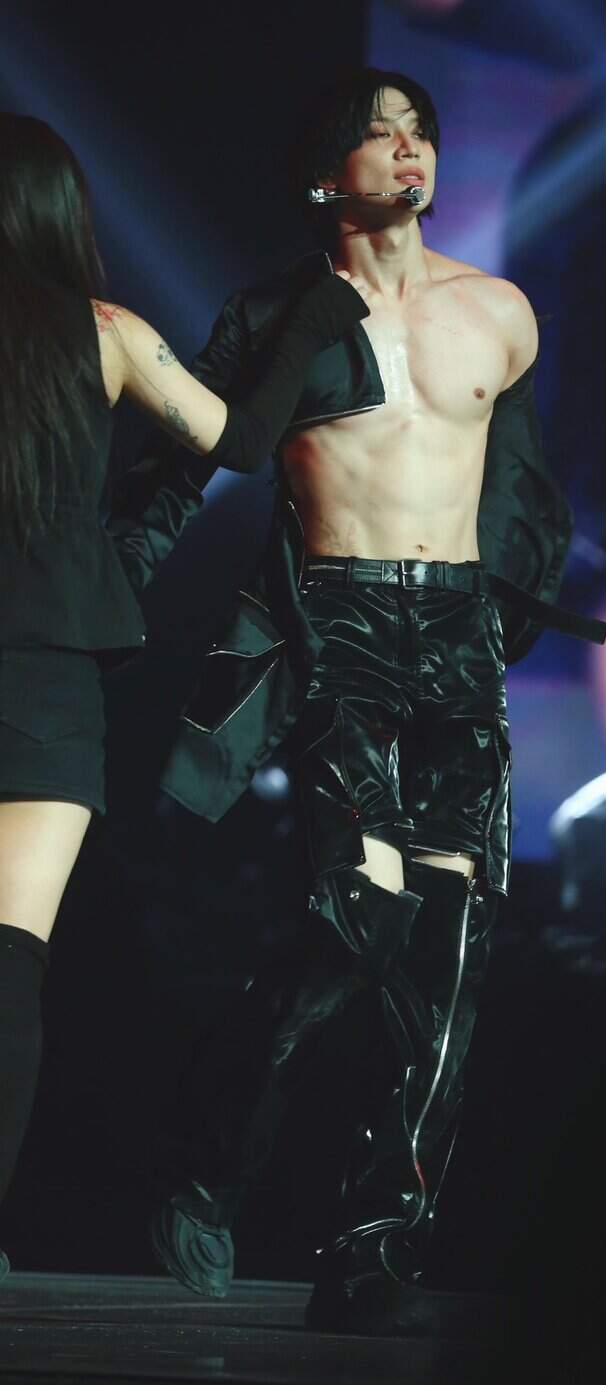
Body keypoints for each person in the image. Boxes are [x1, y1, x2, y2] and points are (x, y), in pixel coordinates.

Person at [110, 68, 603, 1332]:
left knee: (450, 951)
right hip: (338, 623)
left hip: (455, 632)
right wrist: (98, 605)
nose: (407, 149)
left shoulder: (498, 311)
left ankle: (378, 1244)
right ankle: (209, 1157)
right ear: (327, 170)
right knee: (355, 913)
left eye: (419, 130)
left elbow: (525, 492)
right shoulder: (275, 314)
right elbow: (180, 471)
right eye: (379, 134)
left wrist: (499, 621)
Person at [0, 112, 373, 1282]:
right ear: (60, 212)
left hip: (44, 664)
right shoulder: (105, 334)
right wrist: (312, 317)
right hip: (46, 675)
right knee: (8, 963)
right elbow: (243, 444)